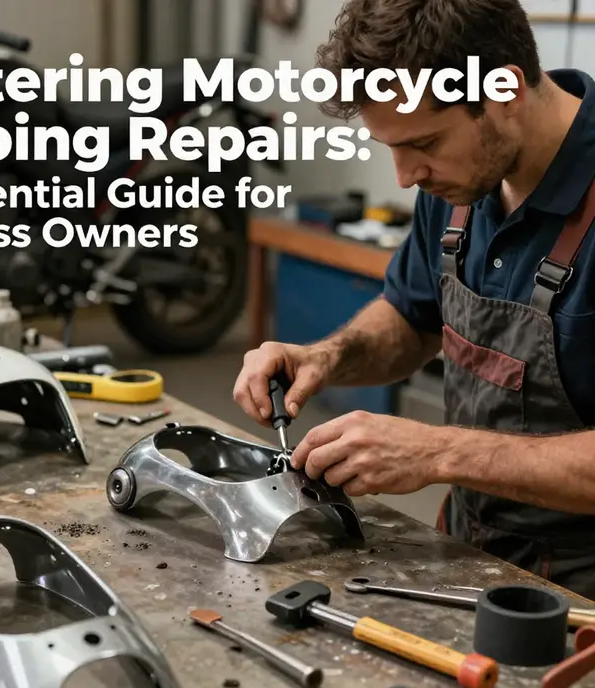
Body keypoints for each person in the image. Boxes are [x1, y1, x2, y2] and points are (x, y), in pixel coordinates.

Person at [232, 0, 595, 600]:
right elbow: (413, 316)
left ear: (504, 95)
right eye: (390, 147)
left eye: (423, 142)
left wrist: (438, 451)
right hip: (471, 552)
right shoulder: (459, 181)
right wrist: (328, 357)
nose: (404, 176)